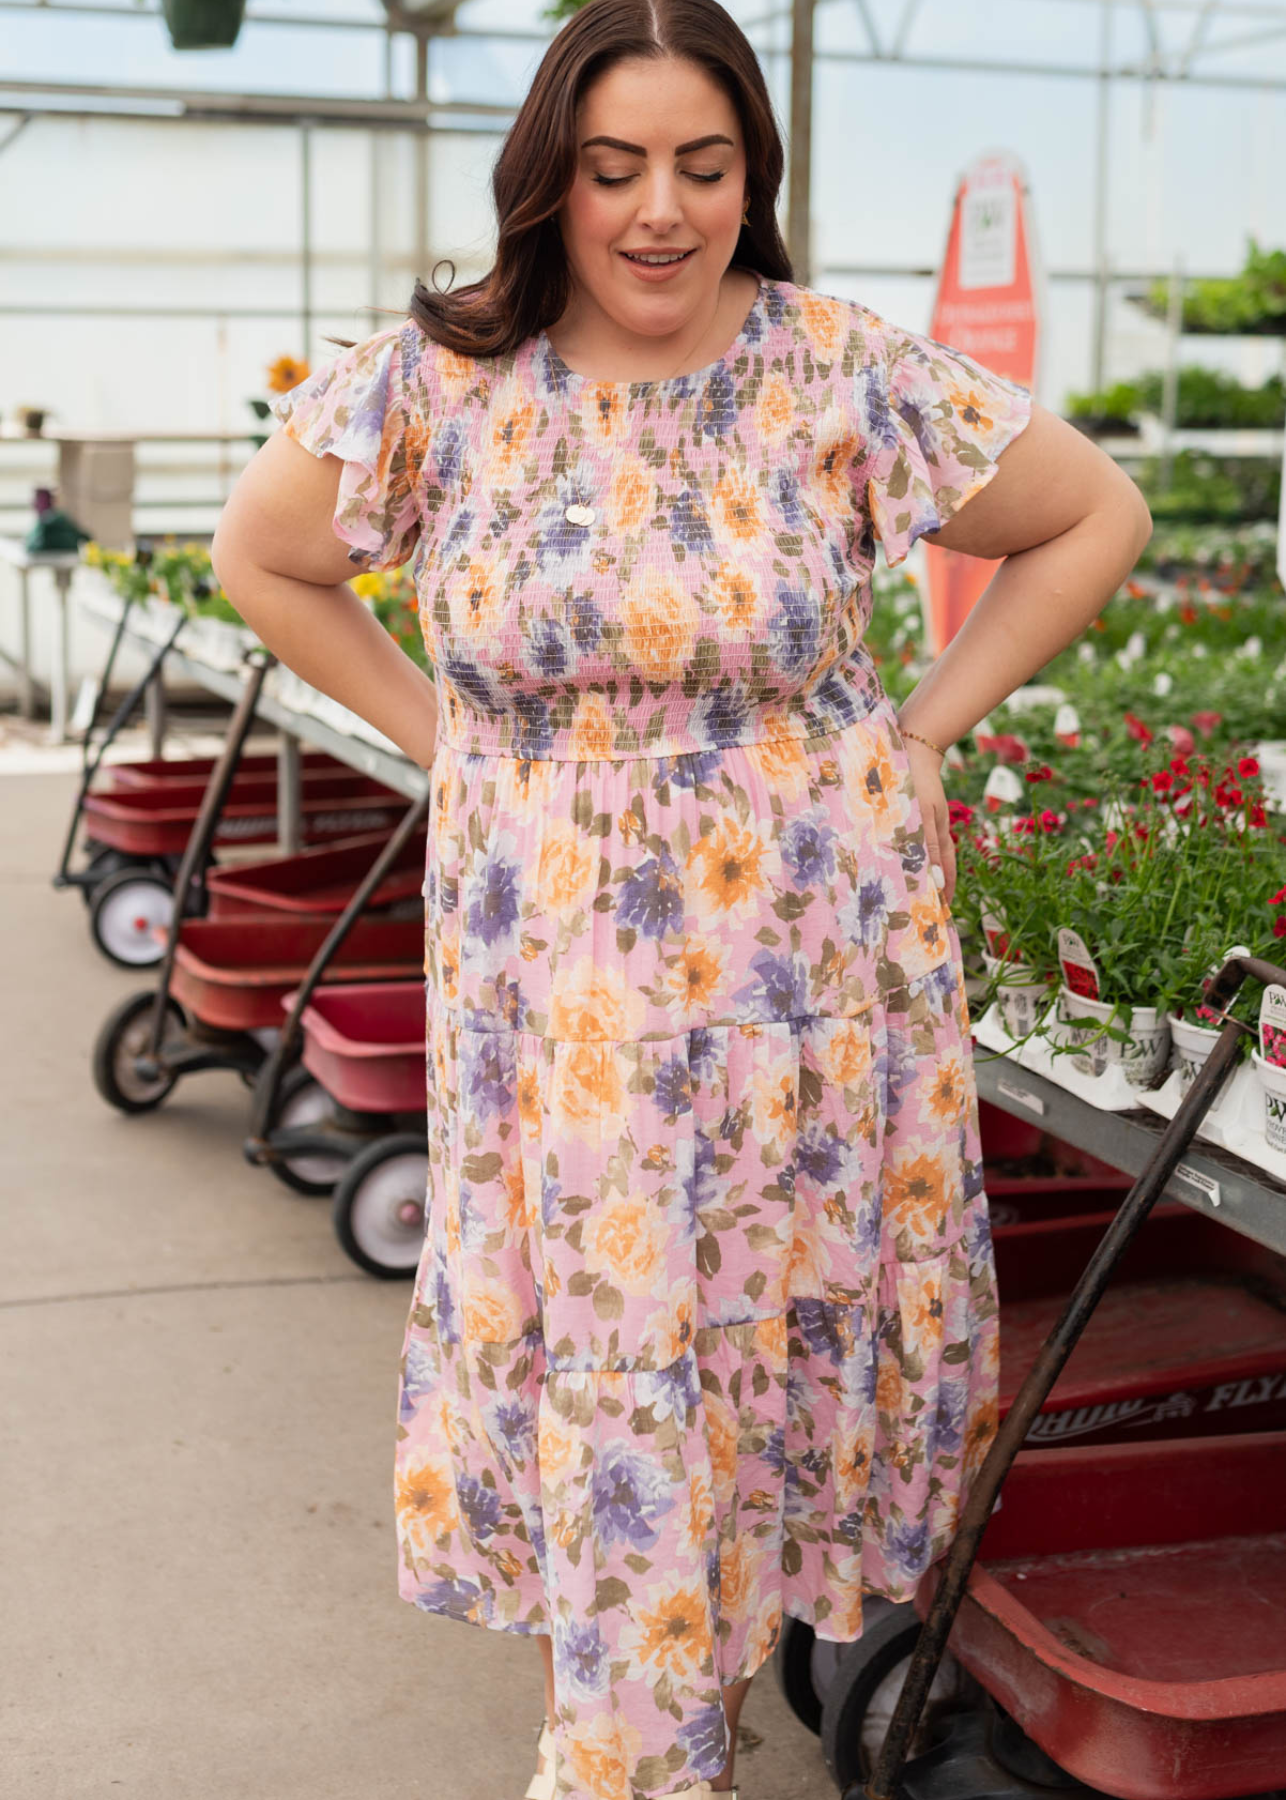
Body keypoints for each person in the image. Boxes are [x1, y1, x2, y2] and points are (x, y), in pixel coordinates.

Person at [211, 2, 1152, 1794]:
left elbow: (1089, 514)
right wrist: (450, 744)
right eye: (615, 167)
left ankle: (661, 1729)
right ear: (548, 184)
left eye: (703, 168)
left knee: (757, 1320)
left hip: (806, 950)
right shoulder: (441, 378)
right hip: (553, 965)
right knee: (606, 1339)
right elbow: (262, 558)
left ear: (751, 180)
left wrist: (923, 730)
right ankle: (625, 1749)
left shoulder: (833, 366)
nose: (661, 209)